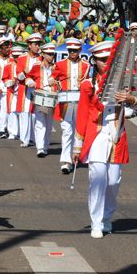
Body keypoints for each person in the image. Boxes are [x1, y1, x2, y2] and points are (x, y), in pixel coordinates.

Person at [74, 40, 137, 239]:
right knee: (97, 179)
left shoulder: (125, 83)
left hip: (116, 134)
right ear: (94, 61)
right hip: (96, 135)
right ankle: (96, 222)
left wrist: (131, 100)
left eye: (109, 60)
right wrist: (77, 147)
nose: (106, 64)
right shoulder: (88, 84)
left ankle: (106, 217)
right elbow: (82, 115)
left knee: (113, 182)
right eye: (103, 60)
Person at [53, 38, 90, 173]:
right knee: (67, 130)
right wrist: (54, 82)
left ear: (80, 50)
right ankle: (66, 161)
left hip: (81, 102)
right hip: (66, 102)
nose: (72, 52)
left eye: (75, 50)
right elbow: (54, 79)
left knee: (79, 130)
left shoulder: (87, 65)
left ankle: (77, 155)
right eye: (70, 50)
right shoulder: (60, 64)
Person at [14, 33, 43, 148]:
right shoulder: (22, 58)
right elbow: (18, 75)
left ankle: (35, 139)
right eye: (35, 44)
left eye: (38, 44)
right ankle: (25, 139)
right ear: (29, 45)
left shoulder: (41, 58)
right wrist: (25, 73)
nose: (37, 47)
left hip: (37, 88)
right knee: (25, 112)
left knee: (37, 114)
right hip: (25, 89)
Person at [33, 43, 58, 157]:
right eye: (48, 54)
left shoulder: (56, 67)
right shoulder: (36, 66)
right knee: (40, 123)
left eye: (52, 54)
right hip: (40, 95)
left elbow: (62, 81)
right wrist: (30, 81)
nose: (51, 56)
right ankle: (40, 148)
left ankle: (46, 146)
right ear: (43, 54)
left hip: (52, 97)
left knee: (49, 124)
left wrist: (57, 83)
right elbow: (28, 76)